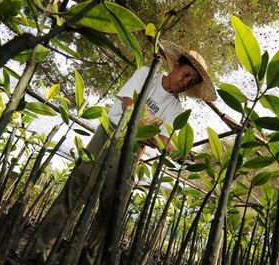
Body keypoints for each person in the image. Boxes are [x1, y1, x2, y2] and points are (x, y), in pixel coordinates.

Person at [28, 40, 217, 264]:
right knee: (78, 186)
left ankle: (86, 260)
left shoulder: (176, 108)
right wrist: (146, 130)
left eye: (191, 82)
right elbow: (128, 104)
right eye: (186, 74)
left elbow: (165, 140)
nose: (185, 82)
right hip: (108, 134)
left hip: (132, 149)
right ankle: (39, 253)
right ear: (175, 67)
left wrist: (181, 154)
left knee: (113, 205)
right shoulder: (148, 74)